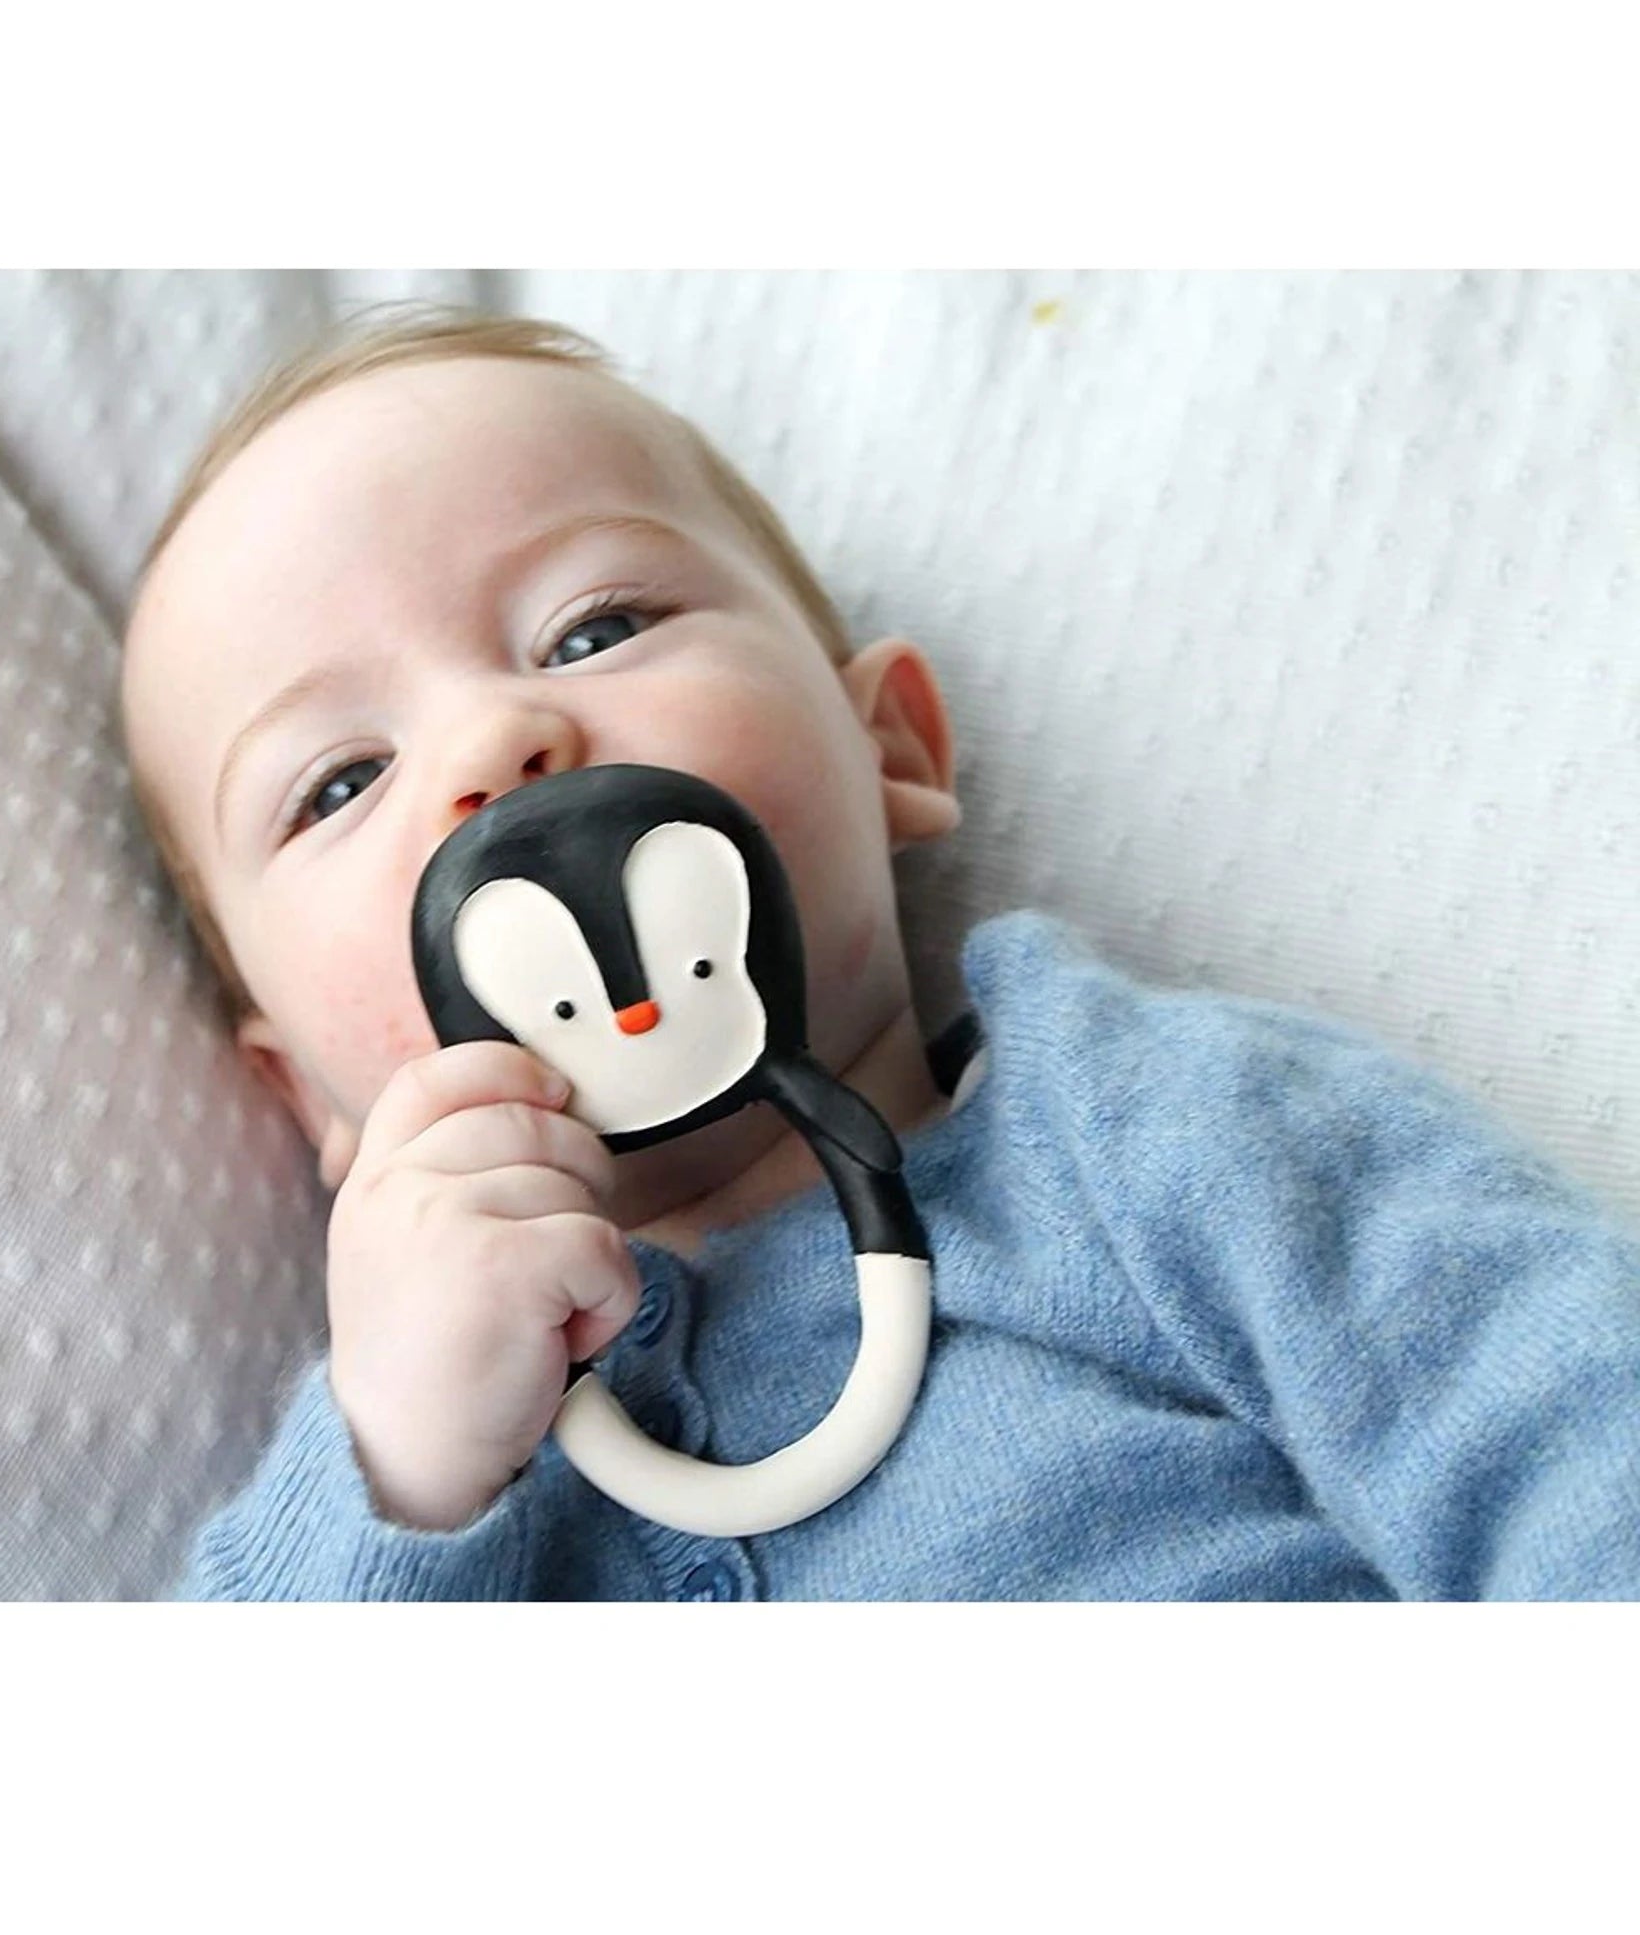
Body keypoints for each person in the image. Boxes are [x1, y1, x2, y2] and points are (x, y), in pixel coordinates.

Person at [118, 305, 1640, 1600]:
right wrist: (397, 1463)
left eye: (591, 632)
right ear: (303, 1097)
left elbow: (1567, 1434)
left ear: (888, 747)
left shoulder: (1144, 1136)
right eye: (339, 782)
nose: (494, 745)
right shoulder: (407, 1467)